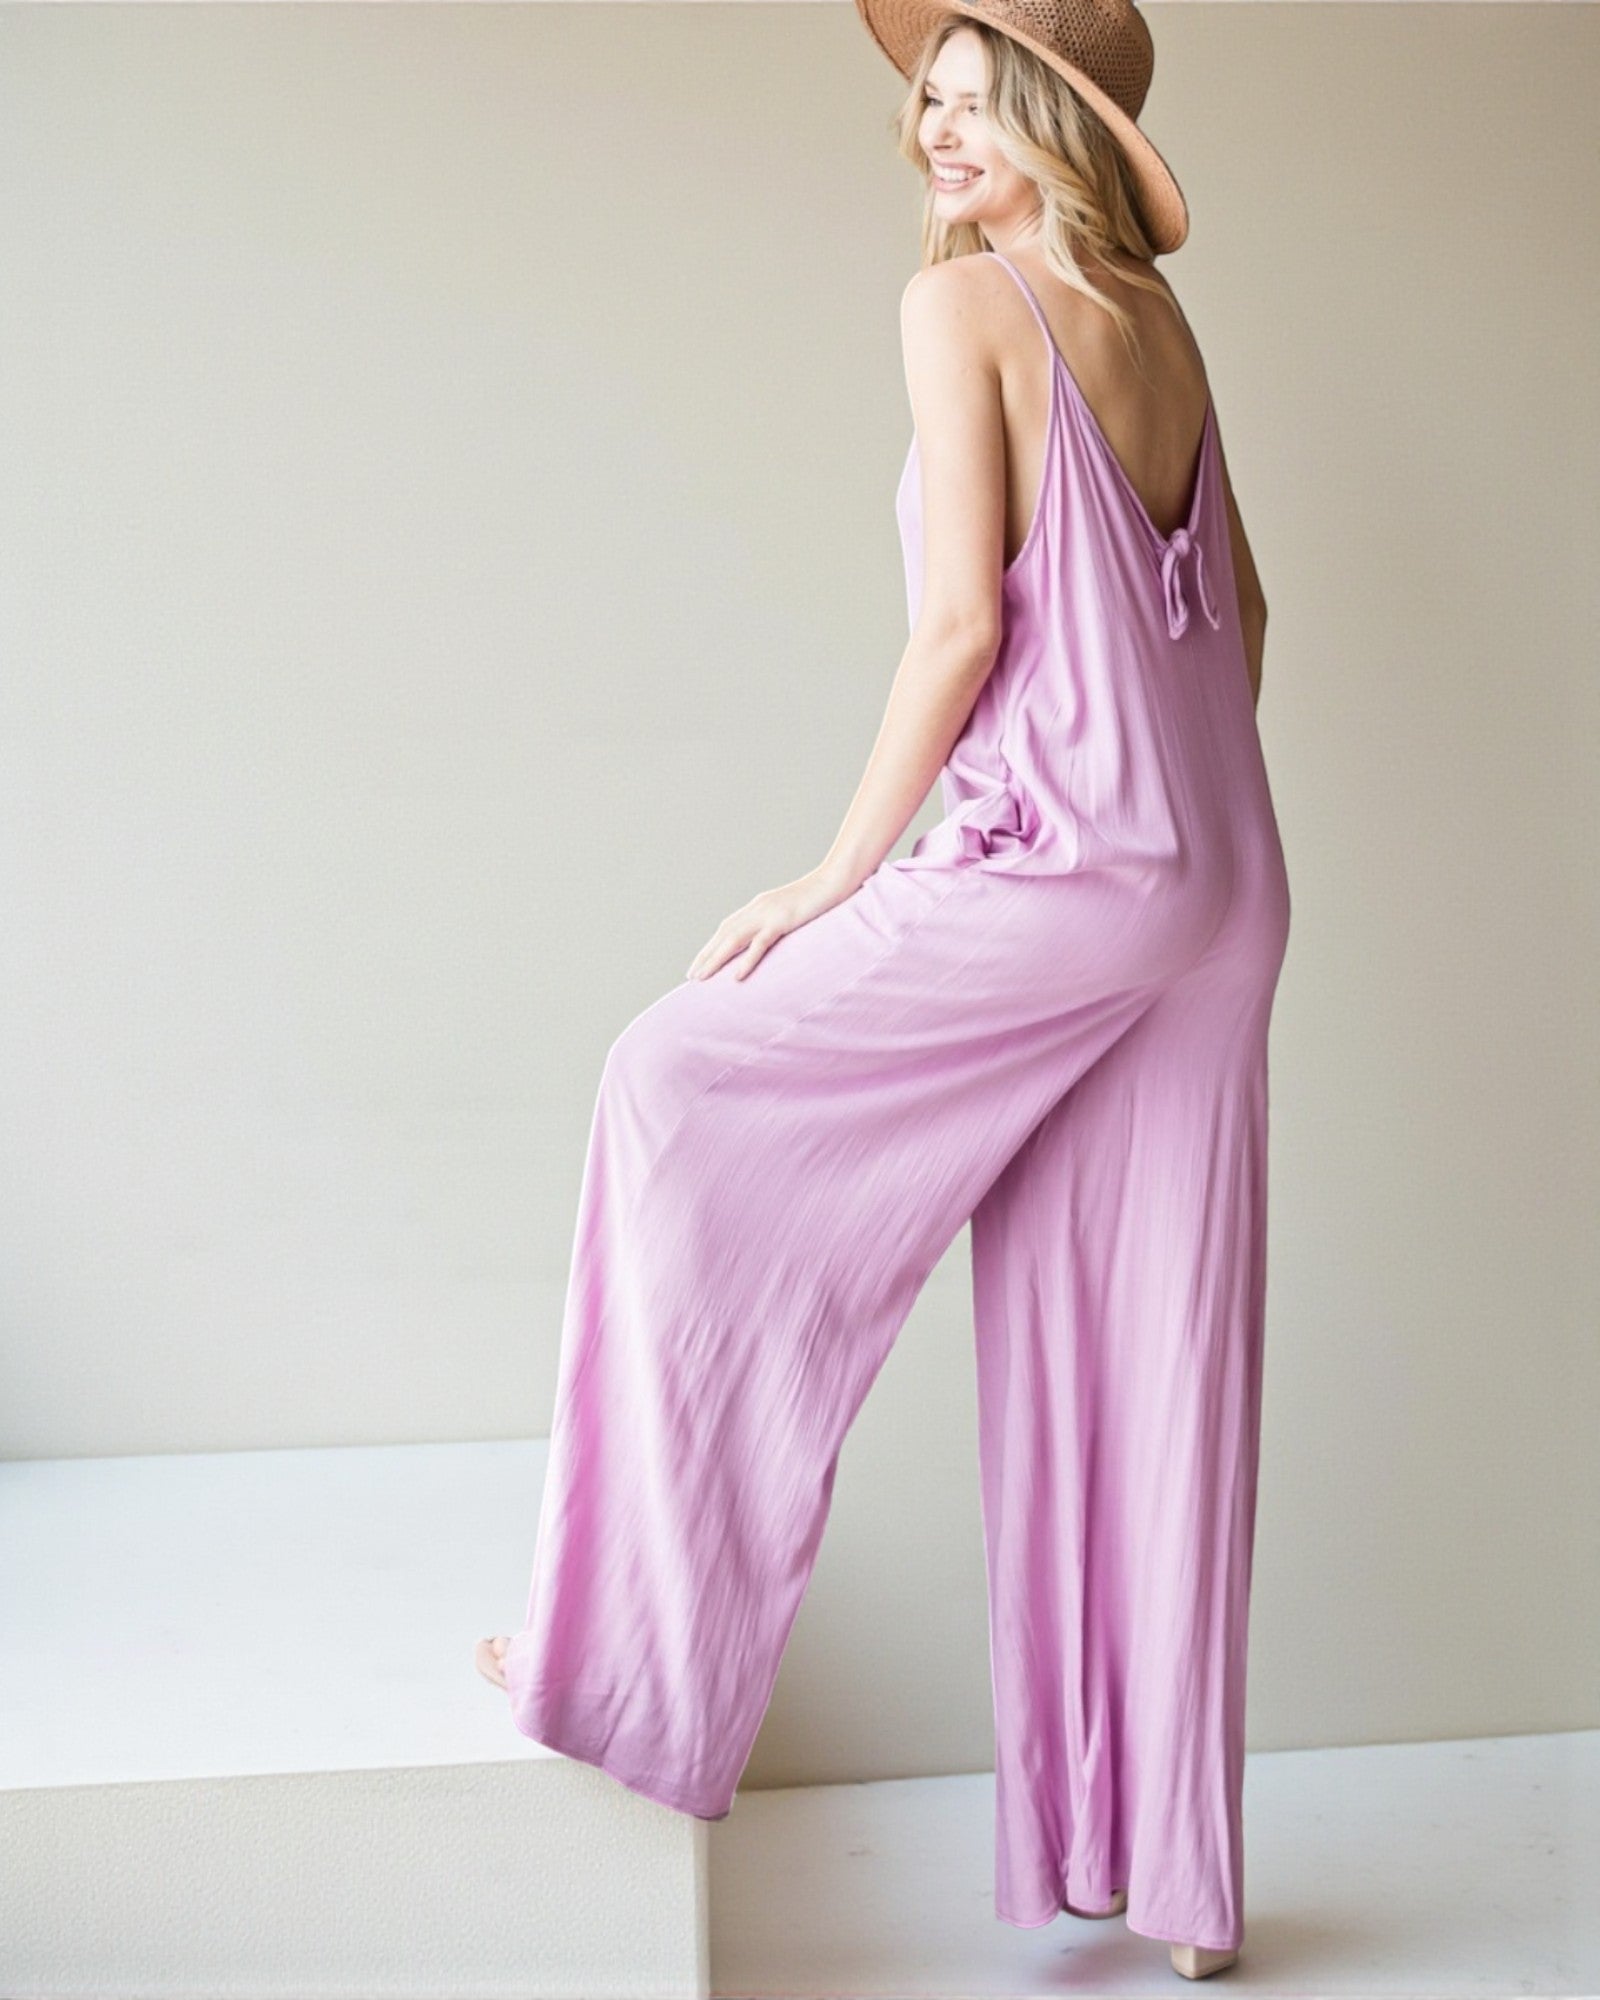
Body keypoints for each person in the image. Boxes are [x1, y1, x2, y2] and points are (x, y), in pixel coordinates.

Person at [478, 0, 1288, 1978]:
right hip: (1226, 884)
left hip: (1071, 879)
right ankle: (1179, 1895)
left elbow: (958, 622)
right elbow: (1242, 618)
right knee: (1149, 1364)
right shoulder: (1157, 326)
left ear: (1045, 117)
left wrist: (842, 872)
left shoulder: (967, 309)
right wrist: (1160, 818)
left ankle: (619, 1676)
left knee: (671, 1083)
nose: (927, 132)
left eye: (963, 97)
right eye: (917, 101)